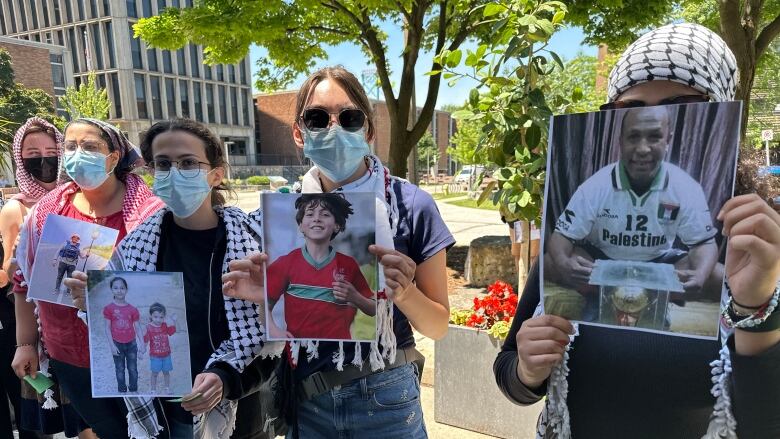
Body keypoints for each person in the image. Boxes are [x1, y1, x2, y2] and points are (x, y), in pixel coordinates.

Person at [494, 23, 780, 438]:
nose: (643, 146)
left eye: (684, 103)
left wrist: (752, 304)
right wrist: (526, 370)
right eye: (628, 109)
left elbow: (766, 425)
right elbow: (511, 379)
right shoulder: (592, 190)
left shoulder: (758, 245)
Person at [222, 66, 454, 438]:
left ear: (369, 130)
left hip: (386, 395)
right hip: (307, 398)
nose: (333, 129)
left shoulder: (411, 205)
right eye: (317, 118)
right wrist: (263, 296)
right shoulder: (281, 214)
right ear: (299, 133)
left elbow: (438, 327)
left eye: (349, 117)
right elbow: (283, 325)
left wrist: (405, 293)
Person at [66, 118, 268, 438]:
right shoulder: (134, 249)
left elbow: (273, 340)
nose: (173, 172)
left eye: (188, 162)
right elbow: (121, 333)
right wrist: (93, 303)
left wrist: (226, 379)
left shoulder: (254, 246)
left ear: (216, 174)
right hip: (166, 413)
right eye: (162, 164)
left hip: (236, 412)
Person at [10, 118, 165, 438]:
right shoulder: (48, 211)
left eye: (90, 147)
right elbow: (24, 283)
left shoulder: (150, 213)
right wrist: (26, 344)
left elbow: (167, 288)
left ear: (114, 156)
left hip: (132, 356)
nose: (77, 154)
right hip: (69, 358)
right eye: (70, 146)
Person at [0, 118, 91, 439]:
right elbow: (8, 276)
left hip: (83, 321)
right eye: (33, 152)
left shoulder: (79, 198)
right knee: (52, 413)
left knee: (90, 419)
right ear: (19, 158)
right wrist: (28, 254)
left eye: (53, 151)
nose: (44, 159)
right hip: (38, 326)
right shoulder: (16, 208)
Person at [266, 193, 376, 340]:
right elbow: (264, 305)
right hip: (298, 354)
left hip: (340, 354)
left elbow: (374, 309)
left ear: (337, 225)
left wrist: (355, 297)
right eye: (310, 214)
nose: (317, 219)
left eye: (325, 214)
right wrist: (274, 331)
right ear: (300, 225)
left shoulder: (348, 264)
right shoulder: (285, 263)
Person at [102, 276, 145, 394]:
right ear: (111, 290)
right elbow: (107, 327)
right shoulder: (108, 308)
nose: (119, 290)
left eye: (122, 288)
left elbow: (137, 327)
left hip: (131, 344)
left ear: (126, 290)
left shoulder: (133, 309)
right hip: (117, 343)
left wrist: (142, 343)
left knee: (133, 369)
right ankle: (121, 389)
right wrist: (112, 345)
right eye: (116, 288)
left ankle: (133, 389)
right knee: (119, 369)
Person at [143, 302, 178, 394]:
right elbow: (146, 340)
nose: (158, 320)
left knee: (166, 372)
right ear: (151, 316)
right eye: (155, 317)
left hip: (166, 355)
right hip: (155, 356)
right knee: (154, 373)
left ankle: (167, 388)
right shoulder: (148, 327)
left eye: (161, 317)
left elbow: (172, 331)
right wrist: (142, 349)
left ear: (164, 317)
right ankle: (153, 390)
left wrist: (174, 321)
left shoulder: (164, 325)